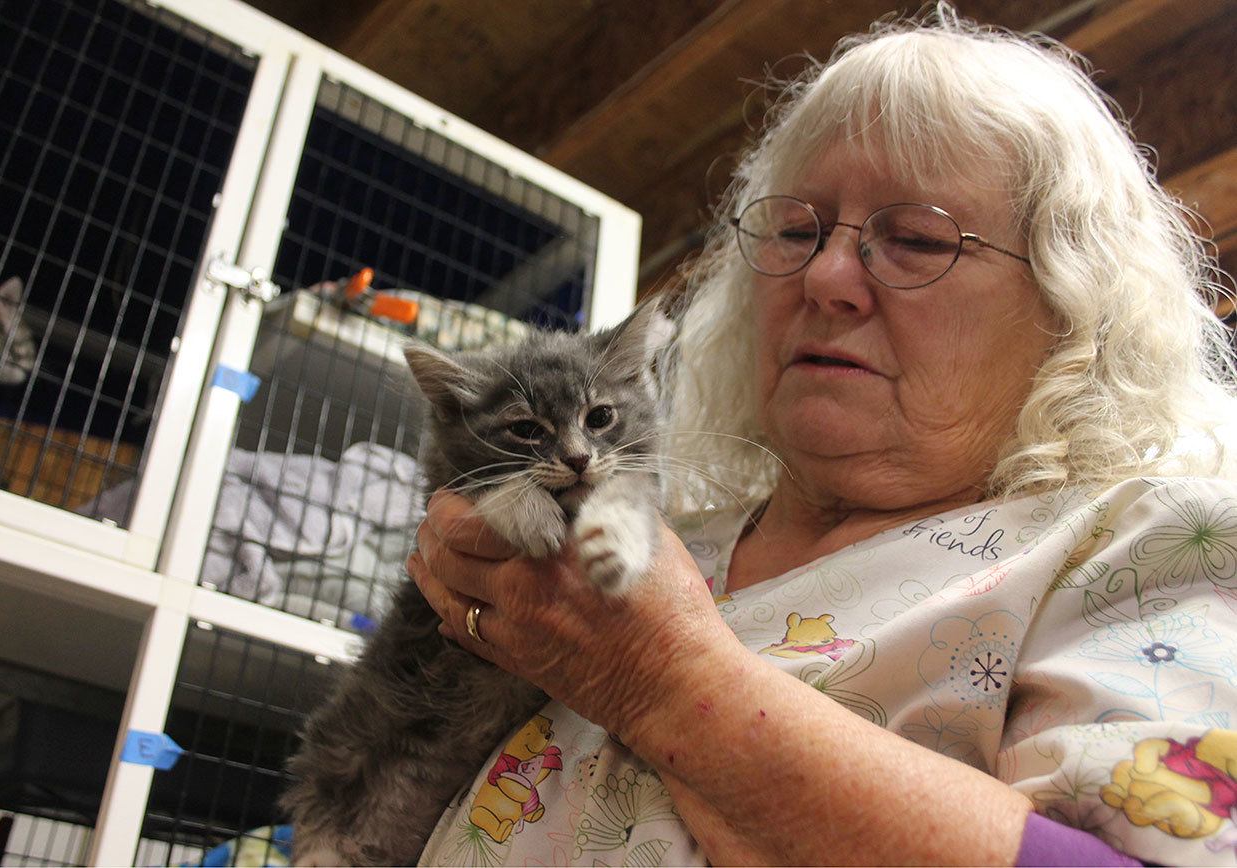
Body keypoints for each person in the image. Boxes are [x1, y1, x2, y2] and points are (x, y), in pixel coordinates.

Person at [406, 5, 1237, 865]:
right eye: (797, 231)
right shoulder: (652, 542)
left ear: (1071, 309)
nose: (826, 275)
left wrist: (662, 676)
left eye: (915, 239)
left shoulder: (1141, 549)